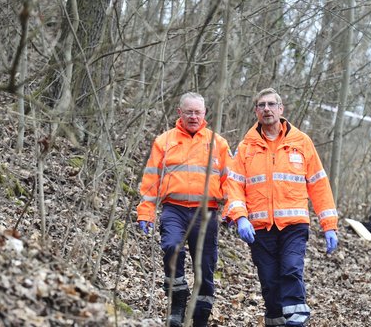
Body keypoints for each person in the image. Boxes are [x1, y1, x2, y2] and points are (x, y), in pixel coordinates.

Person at [225, 87, 338, 326]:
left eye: (271, 104)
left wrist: (329, 225)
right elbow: (234, 185)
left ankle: (296, 322)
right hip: (260, 227)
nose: (267, 109)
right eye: (261, 105)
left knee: (291, 270)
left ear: (280, 109)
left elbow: (319, 184)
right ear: (256, 111)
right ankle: (275, 321)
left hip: (294, 225)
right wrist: (240, 217)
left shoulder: (301, 142)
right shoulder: (246, 147)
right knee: (269, 281)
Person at [136, 92, 231, 327]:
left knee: (206, 266)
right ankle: (177, 301)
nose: (193, 116)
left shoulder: (218, 143)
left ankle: (200, 317)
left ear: (205, 114)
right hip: (174, 209)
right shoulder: (164, 141)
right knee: (171, 247)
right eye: (188, 111)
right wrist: (145, 212)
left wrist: (233, 212)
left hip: (206, 212)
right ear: (179, 113)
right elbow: (150, 180)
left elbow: (231, 182)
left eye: (197, 112)